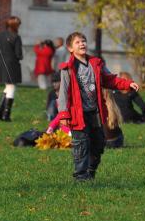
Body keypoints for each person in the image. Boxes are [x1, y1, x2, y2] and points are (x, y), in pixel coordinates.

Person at [57, 32, 139, 181]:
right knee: (81, 146)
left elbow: (110, 79)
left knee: (98, 143)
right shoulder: (68, 69)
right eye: (77, 42)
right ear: (70, 48)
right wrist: (63, 114)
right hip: (78, 115)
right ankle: (81, 177)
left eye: (84, 41)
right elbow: (63, 93)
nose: (82, 44)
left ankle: (90, 171)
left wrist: (127, 84)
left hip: (95, 113)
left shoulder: (96, 63)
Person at [0, 16, 23, 122]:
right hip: (12, 65)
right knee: (11, 88)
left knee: (7, 87)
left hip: (1, 63)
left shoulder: (0, 35)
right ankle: (6, 115)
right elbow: (19, 54)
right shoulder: (16, 37)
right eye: (18, 24)